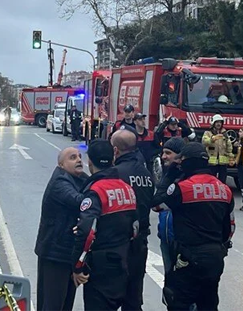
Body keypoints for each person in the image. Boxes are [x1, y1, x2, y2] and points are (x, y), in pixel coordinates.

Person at [152, 142, 235, 310]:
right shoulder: (224, 189)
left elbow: (156, 205)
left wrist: (169, 174)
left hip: (189, 256)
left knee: (179, 300)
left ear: (187, 162)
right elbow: (230, 227)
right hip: (214, 256)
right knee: (209, 301)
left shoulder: (182, 189)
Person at [72, 139, 138, 311]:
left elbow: (86, 231)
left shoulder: (96, 191)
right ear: (112, 159)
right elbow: (135, 226)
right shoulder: (127, 188)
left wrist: (77, 266)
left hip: (102, 265)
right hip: (125, 260)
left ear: (90, 162)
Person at [35, 147, 88, 311]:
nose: (79, 160)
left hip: (68, 253)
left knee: (66, 303)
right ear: (61, 165)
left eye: (79, 156)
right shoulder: (60, 182)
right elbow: (80, 201)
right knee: (52, 304)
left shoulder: (79, 178)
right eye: (72, 157)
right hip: (55, 254)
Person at [112, 129, 154, 311]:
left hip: (118, 242)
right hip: (141, 241)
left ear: (115, 150)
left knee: (112, 295)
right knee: (134, 295)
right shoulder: (146, 174)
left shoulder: (115, 174)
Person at [153, 137, 185, 275]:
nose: (163, 156)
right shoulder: (166, 174)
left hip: (182, 243)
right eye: (163, 152)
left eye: (168, 153)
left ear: (179, 156)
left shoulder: (186, 178)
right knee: (169, 283)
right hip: (166, 239)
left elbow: (156, 204)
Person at [201, 114, 232, 183]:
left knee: (223, 181)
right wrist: (212, 139)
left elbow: (229, 145)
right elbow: (204, 142)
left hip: (223, 162)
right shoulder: (208, 133)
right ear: (213, 123)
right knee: (211, 180)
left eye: (220, 122)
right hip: (212, 162)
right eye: (217, 122)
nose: (219, 124)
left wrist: (230, 154)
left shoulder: (224, 133)